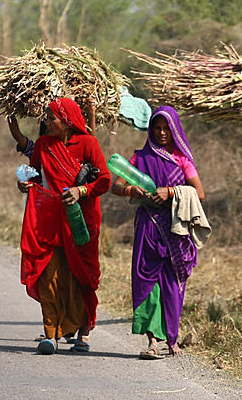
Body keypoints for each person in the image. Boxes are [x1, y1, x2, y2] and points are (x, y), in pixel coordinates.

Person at [111, 106, 209, 359]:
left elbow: (199, 193)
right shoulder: (139, 158)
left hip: (176, 230)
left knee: (173, 283)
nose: (162, 132)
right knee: (148, 282)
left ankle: (172, 338)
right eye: (157, 127)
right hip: (148, 227)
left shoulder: (183, 160)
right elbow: (117, 185)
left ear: (174, 130)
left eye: (167, 128)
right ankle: (153, 341)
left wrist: (172, 191)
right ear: (151, 129)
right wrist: (132, 191)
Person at [17, 98, 110, 355]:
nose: (47, 122)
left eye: (51, 117)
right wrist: (24, 183)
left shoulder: (88, 144)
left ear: (66, 121)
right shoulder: (45, 146)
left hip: (80, 222)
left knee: (80, 276)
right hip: (49, 221)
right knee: (48, 276)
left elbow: (104, 180)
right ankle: (51, 334)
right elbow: (32, 173)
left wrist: (81, 190)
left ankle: (82, 332)